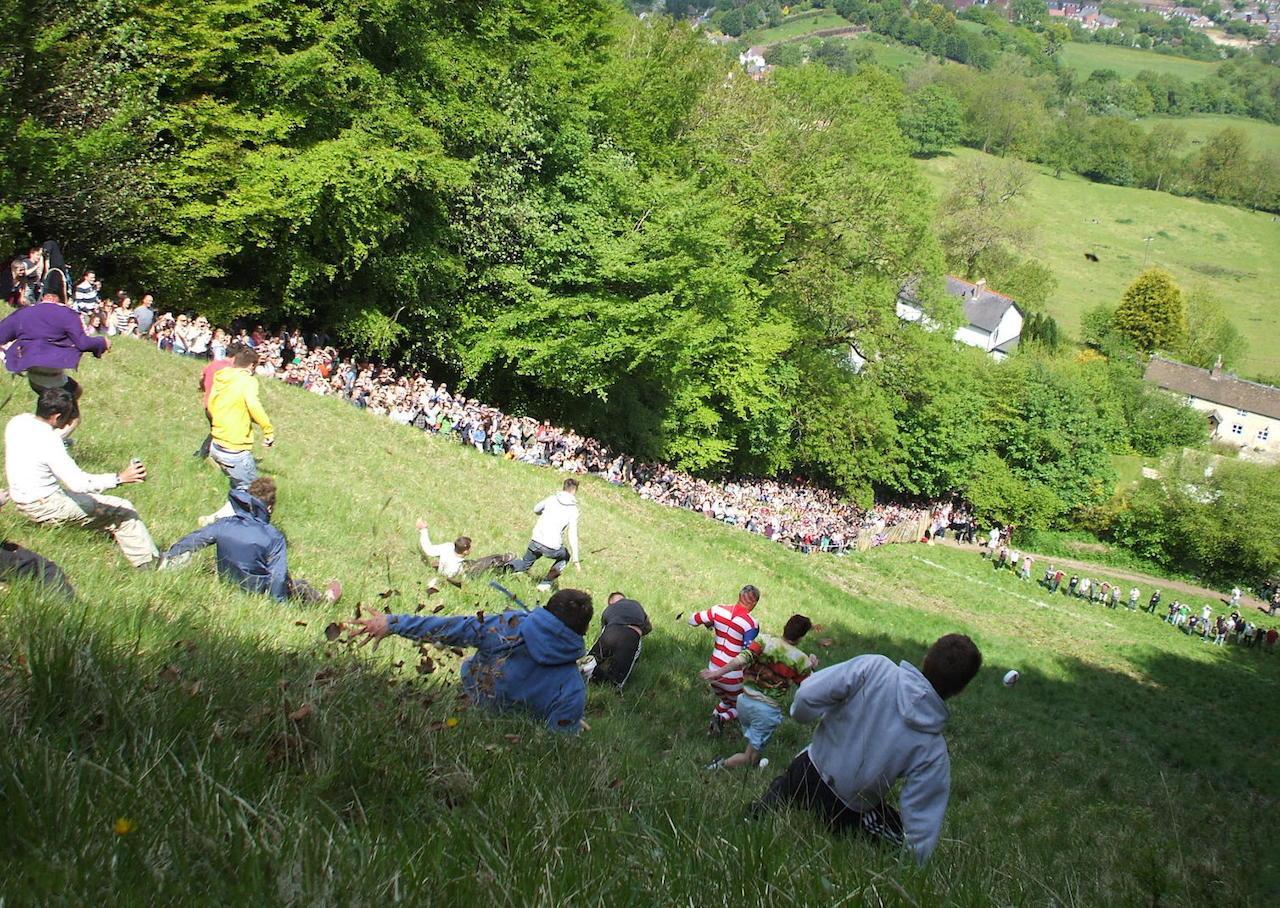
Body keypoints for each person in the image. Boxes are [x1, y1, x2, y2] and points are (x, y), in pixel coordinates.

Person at [748, 633, 982, 865]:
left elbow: (808, 695)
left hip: (805, 769)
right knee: (895, 834)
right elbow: (923, 817)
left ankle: (764, 809)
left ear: (926, 657)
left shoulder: (874, 668)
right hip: (847, 809)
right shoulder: (933, 748)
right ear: (961, 690)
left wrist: (801, 715)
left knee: (784, 791)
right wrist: (915, 863)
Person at [347, 587, 593, 732]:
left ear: (545, 610)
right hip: (500, 741)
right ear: (582, 632)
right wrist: (569, 719)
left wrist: (393, 623)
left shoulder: (506, 627)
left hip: (455, 707)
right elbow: (555, 748)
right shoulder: (572, 691)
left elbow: (450, 628)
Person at [4, 388, 157, 567]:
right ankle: (151, 564)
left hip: (19, 498)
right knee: (123, 509)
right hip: (46, 505)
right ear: (57, 416)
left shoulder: (18, 422)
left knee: (96, 507)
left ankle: (115, 541)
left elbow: (40, 444)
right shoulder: (50, 442)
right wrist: (120, 478)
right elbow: (79, 483)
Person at [160, 477, 340, 605]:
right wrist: (278, 605)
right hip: (260, 592)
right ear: (269, 508)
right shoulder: (273, 536)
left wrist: (168, 556)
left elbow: (193, 540)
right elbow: (277, 576)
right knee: (300, 585)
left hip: (228, 584)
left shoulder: (224, 524)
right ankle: (326, 600)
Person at [703, 613, 817, 771]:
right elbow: (812, 687)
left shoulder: (763, 640)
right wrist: (812, 667)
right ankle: (716, 767)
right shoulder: (802, 661)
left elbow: (742, 659)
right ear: (801, 637)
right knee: (748, 757)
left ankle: (754, 767)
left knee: (756, 748)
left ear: (785, 627)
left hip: (743, 703)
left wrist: (717, 672)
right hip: (766, 712)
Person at [0, 290, 111, 439]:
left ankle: (46, 440)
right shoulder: (66, 314)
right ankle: (49, 445)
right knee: (73, 419)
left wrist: (8, 358)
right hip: (52, 377)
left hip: (34, 377)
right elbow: (83, 343)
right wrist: (102, 342)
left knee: (76, 391)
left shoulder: (24, 313)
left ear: (45, 298)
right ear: (57, 299)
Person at [202, 347, 275, 523]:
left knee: (241, 487)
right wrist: (268, 430)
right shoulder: (247, 381)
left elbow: (211, 403)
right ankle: (216, 521)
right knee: (256, 493)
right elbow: (253, 405)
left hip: (216, 442)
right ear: (251, 366)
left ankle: (227, 518)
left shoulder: (222, 377)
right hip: (235, 447)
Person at [690, 585, 761, 732]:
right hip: (732, 674)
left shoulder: (718, 610)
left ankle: (712, 726)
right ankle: (721, 719)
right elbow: (747, 653)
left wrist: (709, 623)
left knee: (725, 701)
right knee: (741, 707)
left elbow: (692, 620)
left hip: (713, 669)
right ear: (754, 603)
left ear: (739, 596)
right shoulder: (751, 623)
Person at [507, 478, 580, 592]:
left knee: (524, 564)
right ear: (574, 491)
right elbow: (572, 534)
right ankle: (545, 584)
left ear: (564, 487)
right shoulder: (573, 509)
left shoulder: (551, 499)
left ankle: (503, 567)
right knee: (565, 557)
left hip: (536, 541)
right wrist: (575, 557)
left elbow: (536, 509)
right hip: (552, 547)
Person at [587, 592, 651, 688]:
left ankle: (593, 675)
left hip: (610, 632)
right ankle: (610, 681)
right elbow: (648, 627)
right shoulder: (635, 604)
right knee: (617, 681)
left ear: (611, 602)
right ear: (624, 598)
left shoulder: (608, 609)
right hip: (631, 635)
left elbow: (602, 632)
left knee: (589, 662)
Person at [193, 342, 240, 459]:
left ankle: (211, 455)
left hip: (208, 405)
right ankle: (202, 455)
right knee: (219, 432)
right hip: (220, 407)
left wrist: (203, 387)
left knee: (218, 431)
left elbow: (201, 377)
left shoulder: (214, 364)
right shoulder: (232, 370)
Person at [416, 518, 470, 592]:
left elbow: (429, 549)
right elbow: (449, 579)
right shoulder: (455, 566)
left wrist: (423, 530)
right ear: (465, 551)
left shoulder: (448, 547)